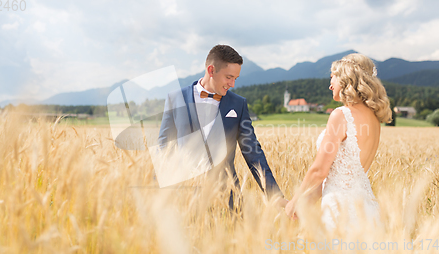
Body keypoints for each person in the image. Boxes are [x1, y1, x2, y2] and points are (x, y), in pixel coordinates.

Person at [158, 44, 287, 211]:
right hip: (184, 198)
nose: (232, 84)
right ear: (211, 70)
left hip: (228, 198)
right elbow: (163, 149)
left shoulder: (238, 104)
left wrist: (274, 195)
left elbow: (253, 152)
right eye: (228, 77)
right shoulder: (175, 98)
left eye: (235, 78)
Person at [285, 53, 392, 232]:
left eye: (332, 77)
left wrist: (294, 202)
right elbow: (339, 176)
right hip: (367, 207)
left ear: (345, 78)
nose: (330, 85)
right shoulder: (374, 118)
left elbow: (320, 171)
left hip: (340, 209)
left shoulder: (341, 115)